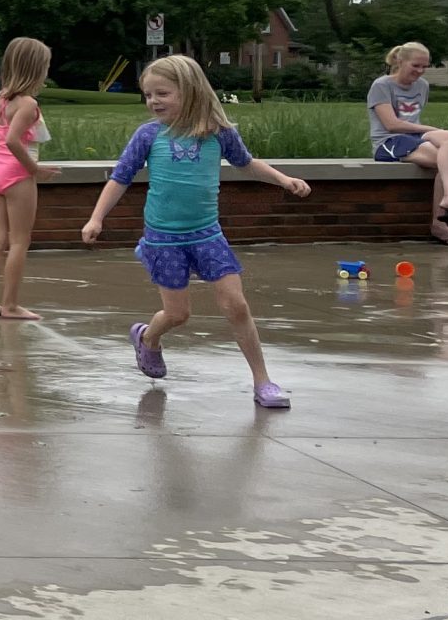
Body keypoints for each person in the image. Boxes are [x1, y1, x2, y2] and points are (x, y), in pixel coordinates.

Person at [83, 54, 313, 408]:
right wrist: (96, 218)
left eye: (162, 93)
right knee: (178, 314)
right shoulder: (149, 135)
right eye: (148, 95)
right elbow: (120, 178)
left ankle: (263, 381)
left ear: (189, 91)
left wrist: (283, 179)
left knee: (236, 305)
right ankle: (148, 338)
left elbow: (246, 164)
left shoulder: (218, 132)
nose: (153, 101)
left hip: (207, 234)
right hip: (163, 239)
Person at [0, 36, 61, 319]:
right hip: (17, 175)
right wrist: (35, 170)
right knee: (20, 241)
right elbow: (14, 140)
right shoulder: (27, 104)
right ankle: (11, 305)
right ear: (37, 69)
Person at [368, 41, 448, 244]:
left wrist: (436, 133)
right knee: (447, 160)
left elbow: (414, 121)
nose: (420, 71)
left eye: (424, 66)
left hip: (414, 137)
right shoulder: (382, 85)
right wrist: (433, 130)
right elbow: (392, 124)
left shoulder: (422, 85)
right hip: (389, 141)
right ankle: (440, 223)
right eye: (415, 65)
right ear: (400, 61)